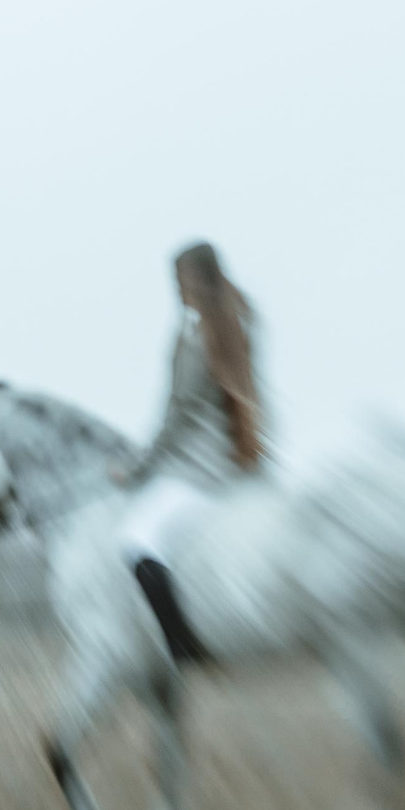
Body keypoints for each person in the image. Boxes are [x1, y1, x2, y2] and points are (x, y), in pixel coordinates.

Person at [115, 241, 266, 664]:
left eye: (179, 280)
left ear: (195, 281)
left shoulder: (193, 339)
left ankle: (182, 646)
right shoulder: (243, 326)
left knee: (136, 540)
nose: (176, 290)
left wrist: (136, 469)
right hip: (242, 468)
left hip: (198, 475)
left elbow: (176, 416)